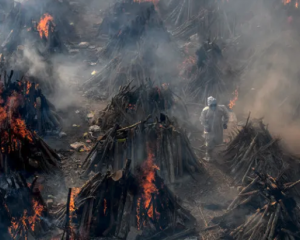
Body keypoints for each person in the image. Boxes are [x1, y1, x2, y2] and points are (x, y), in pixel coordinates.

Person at [200, 96, 229, 162]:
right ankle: (209, 156)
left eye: (214, 105)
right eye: (211, 105)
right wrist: (206, 126)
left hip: (218, 127)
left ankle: (217, 156)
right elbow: (202, 119)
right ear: (209, 105)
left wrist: (225, 123)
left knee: (218, 142)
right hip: (209, 129)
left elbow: (226, 115)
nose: (213, 107)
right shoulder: (205, 110)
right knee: (209, 142)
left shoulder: (221, 108)